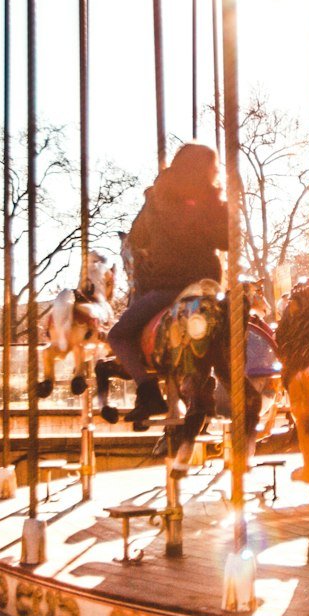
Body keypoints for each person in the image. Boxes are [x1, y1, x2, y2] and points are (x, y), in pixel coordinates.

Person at [107, 143, 229, 429]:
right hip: (206, 286)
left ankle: (148, 390)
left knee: (118, 335)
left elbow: (137, 239)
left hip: (169, 288)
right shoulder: (211, 201)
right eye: (214, 169)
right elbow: (226, 240)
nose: (216, 174)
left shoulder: (157, 199)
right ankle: (202, 384)